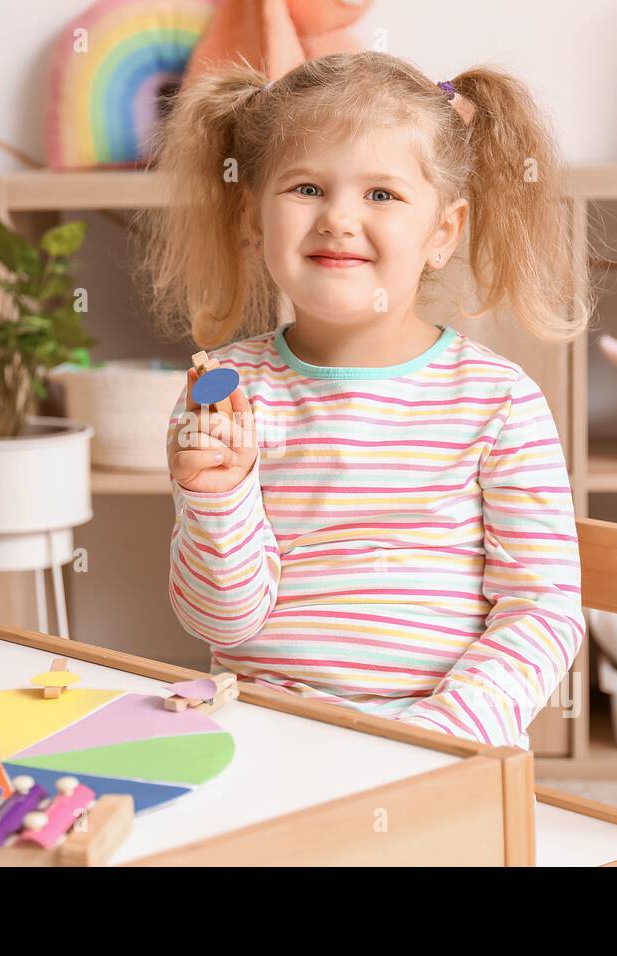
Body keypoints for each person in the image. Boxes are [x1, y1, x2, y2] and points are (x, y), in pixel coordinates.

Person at [138, 51, 588, 749]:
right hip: (270, 737)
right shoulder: (222, 394)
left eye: (381, 194)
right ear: (253, 219)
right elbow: (220, 623)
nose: (339, 219)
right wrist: (215, 498)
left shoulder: (499, 402)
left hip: (443, 744)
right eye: (307, 188)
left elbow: (543, 610)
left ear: (442, 232)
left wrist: (441, 734)